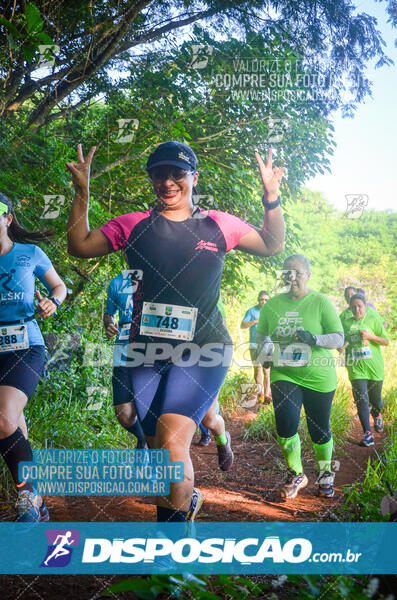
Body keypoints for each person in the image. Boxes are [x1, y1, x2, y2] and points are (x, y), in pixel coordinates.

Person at [66, 141, 285, 523]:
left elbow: (271, 244)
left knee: (171, 446)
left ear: (193, 178)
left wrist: (271, 198)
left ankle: (171, 565)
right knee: (160, 461)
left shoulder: (218, 224)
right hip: (146, 354)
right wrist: (82, 194)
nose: (168, 181)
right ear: (151, 179)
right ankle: (186, 504)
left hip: (204, 350)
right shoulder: (133, 225)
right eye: (159, 173)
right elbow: (80, 246)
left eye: (177, 173)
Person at [0, 194, 66, 521]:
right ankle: (36, 504)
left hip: (25, 345)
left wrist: (53, 301)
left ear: (8, 219)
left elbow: (59, 286)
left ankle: (27, 495)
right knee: (13, 425)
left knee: (2, 419)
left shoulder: (30, 254)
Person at [256, 254, 344, 499]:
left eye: (297, 272)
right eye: (287, 273)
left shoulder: (321, 302)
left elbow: (339, 337)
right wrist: (263, 352)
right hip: (284, 372)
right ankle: (296, 473)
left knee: (319, 430)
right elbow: (261, 335)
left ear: (308, 276)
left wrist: (314, 339)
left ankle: (325, 474)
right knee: (285, 424)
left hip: (319, 376)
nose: (292, 277)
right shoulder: (272, 305)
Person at [104, 269, 148, 449]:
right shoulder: (116, 282)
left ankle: (153, 461)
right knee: (123, 413)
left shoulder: (157, 275)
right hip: (122, 352)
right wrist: (108, 324)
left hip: (151, 352)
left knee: (148, 408)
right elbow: (109, 314)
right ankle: (144, 438)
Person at [340, 293, 389, 447]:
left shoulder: (373, 319)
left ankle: (377, 414)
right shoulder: (346, 323)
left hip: (374, 368)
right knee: (361, 400)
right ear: (350, 307)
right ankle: (368, 434)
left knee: (376, 401)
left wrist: (370, 336)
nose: (357, 309)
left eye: (359, 306)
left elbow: (385, 341)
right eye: (353, 307)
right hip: (356, 369)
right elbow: (342, 340)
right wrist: (340, 346)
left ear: (365, 306)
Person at [241, 291, 271, 402]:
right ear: (258, 300)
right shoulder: (251, 311)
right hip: (254, 344)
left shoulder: (271, 312)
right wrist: (254, 321)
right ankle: (260, 394)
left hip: (268, 344)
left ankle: (267, 395)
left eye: (266, 300)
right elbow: (242, 325)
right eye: (262, 299)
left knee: (266, 371)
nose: (264, 301)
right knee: (257, 369)